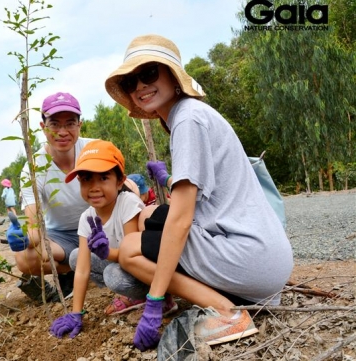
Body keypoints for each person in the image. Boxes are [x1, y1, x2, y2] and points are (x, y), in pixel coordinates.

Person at [104, 34, 293, 350]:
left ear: (172, 76)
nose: (139, 86)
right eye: (129, 81)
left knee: (130, 249)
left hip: (252, 258)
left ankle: (226, 312)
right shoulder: (189, 114)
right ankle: (215, 295)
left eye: (148, 73)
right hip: (265, 256)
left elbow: (181, 220)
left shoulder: (188, 119)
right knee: (150, 215)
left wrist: (153, 300)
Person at [49, 140, 179, 339]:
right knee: (76, 257)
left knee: (113, 275)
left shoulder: (127, 204)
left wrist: (107, 253)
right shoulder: (87, 218)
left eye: (103, 178)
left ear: (120, 182)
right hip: (122, 265)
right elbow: (83, 269)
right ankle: (135, 297)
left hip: (142, 268)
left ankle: (163, 299)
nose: (94, 187)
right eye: (86, 179)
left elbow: (134, 254)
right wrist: (76, 312)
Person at [6, 92, 94, 302]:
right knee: (25, 260)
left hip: (99, 230)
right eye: (54, 124)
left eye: (70, 123)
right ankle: (78, 268)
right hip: (62, 238)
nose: (62, 132)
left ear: (80, 125)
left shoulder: (94, 150)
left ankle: (87, 264)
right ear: (43, 126)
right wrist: (25, 239)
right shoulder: (33, 168)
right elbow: (35, 229)